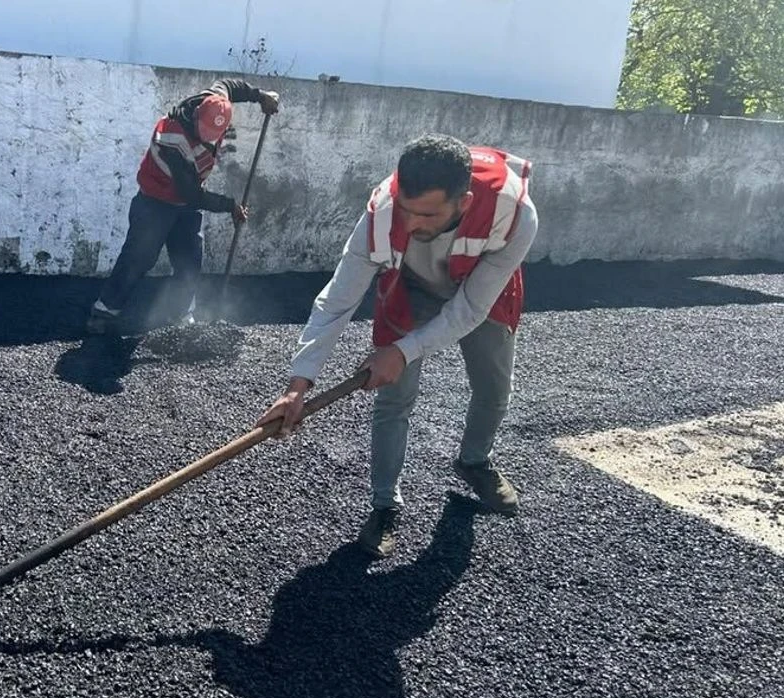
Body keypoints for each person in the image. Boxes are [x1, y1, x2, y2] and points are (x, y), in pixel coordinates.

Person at [255, 133, 538, 559]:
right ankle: (385, 505)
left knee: (494, 387)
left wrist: (403, 351)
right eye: (405, 209)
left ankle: (474, 461)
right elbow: (336, 302)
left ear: (463, 202)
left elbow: (468, 310)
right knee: (394, 399)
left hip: (481, 293)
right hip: (411, 289)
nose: (409, 224)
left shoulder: (514, 214)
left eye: (426, 214)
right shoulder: (381, 214)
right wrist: (298, 385)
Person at [85, 79, 280, 334]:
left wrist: (260, 95)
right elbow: (191, 194)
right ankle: (105, 311)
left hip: (186, 203)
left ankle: (178, 315)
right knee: (139, 258)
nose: (209, 139)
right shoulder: (173, 138)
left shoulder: (215, 102)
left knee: (189, 263)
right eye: (205, 132)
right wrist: (230, 205)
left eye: (215, 135)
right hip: (156, 200)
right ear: (197, 115)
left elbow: (229, 86)